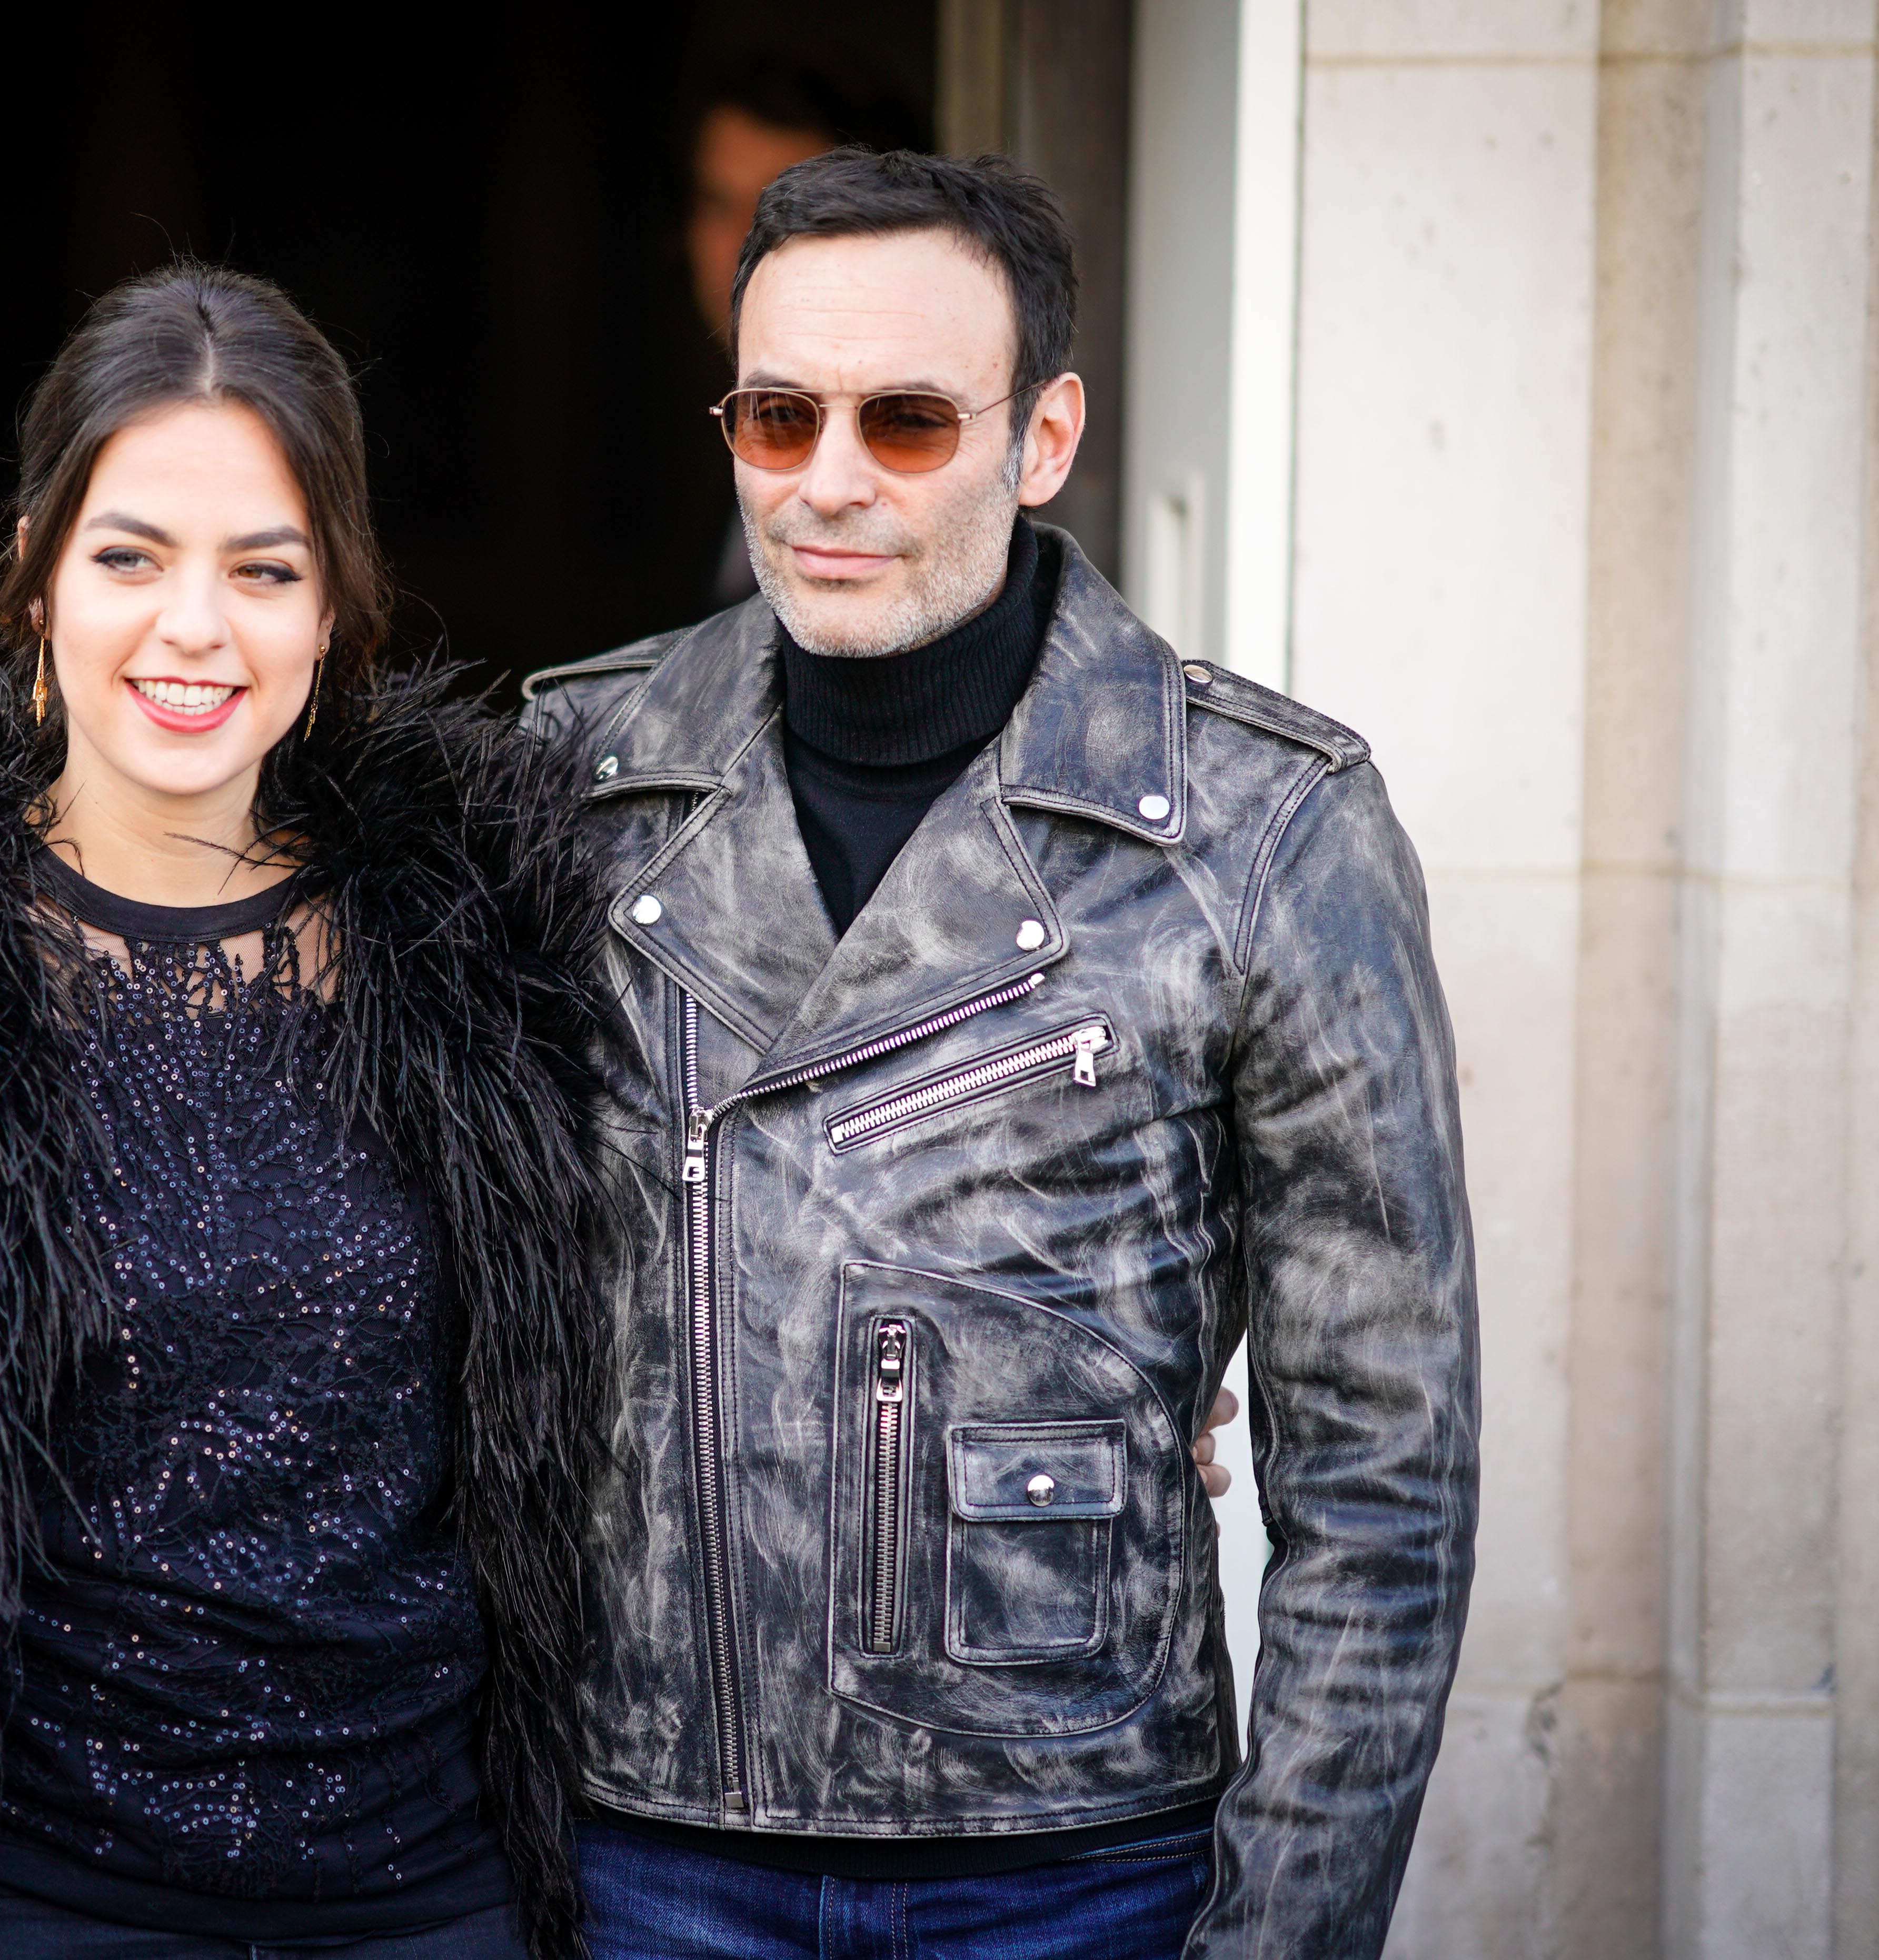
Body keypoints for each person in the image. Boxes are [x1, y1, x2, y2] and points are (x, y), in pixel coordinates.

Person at [522, 149, 1479, 1959]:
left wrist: (1280, 1933)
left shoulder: (1264, 827)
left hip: (1073, 1875)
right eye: (777, 413)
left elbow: (1383, 1479)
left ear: (1042, 439)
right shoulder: (561, 785)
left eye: (902, 422)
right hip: (632, 1857)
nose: (825, 482)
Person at [0, 265, 615, 1960]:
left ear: (336, 611)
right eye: (132, 555)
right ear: (33, 580)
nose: (194, 627)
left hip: (423, 1900)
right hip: (22, 1898)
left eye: (263, 569)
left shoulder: (489, 960)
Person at [680, 54, 932, 610]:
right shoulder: (689, 448)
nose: (734, 248)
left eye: (774, 214)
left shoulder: (935, 455)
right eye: (716, 206)